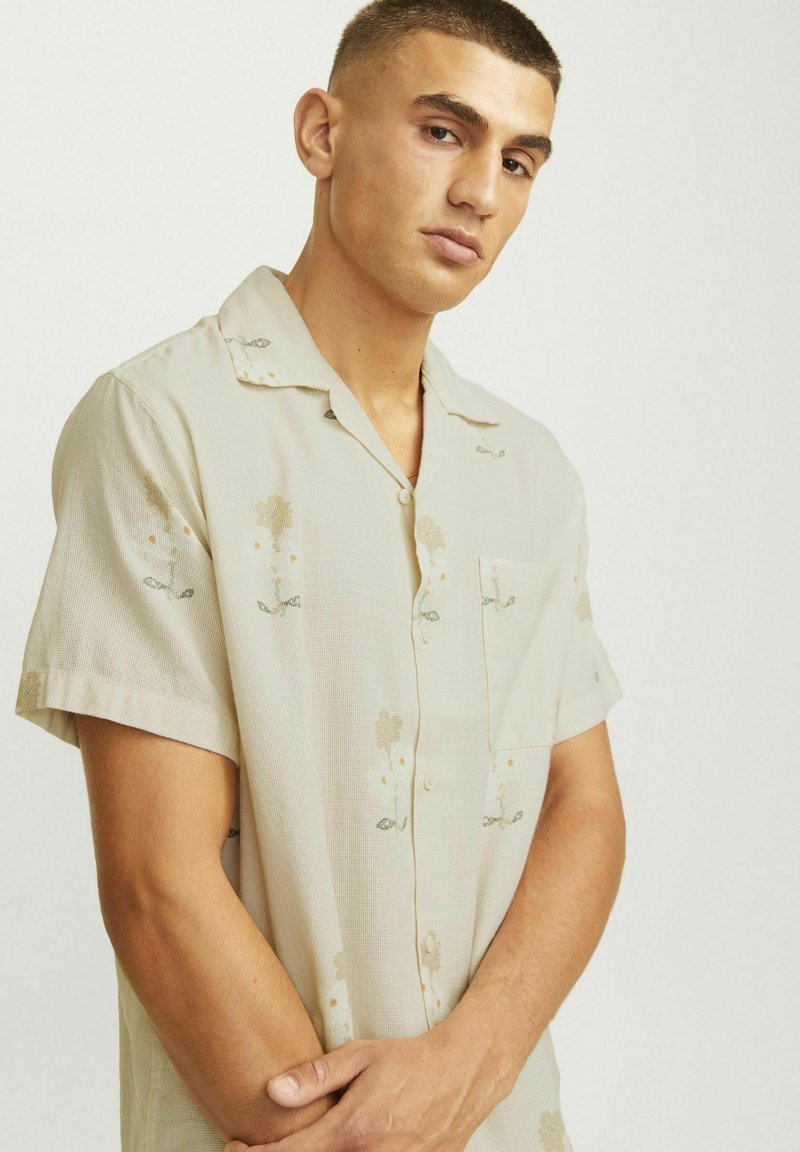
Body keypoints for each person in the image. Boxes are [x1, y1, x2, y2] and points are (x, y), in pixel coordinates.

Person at [14, 2, 627, 1149]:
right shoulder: (162, 423)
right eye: (442, 131)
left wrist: (465, 1070)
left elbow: (580, 807)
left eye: (518, 161)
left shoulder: (529, 472)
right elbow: (156, 880)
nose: (479, 193)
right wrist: (363, 1137)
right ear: (320, 133)